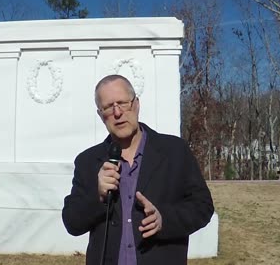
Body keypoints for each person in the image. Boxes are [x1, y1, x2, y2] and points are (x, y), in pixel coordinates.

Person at [62, 74, 214, 265]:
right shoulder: (88, 161)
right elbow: (72, 222)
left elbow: (203, 207)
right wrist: (98, 196)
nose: (117, 113)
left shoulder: (175, 151)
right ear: (101, 116)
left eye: (123, 103)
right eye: (109, 107)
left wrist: (164, 220)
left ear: (136, 104)